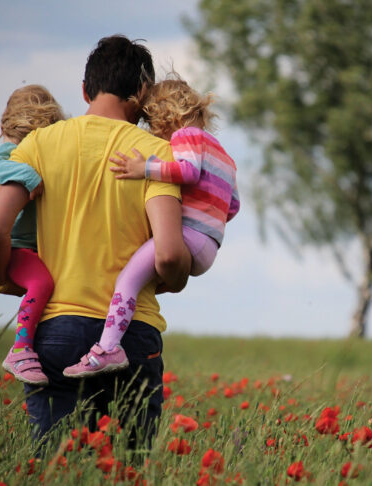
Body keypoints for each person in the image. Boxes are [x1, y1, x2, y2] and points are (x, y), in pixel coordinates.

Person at [0, 35, 191, 445]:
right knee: (128, 469)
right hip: (131, 335)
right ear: (143, 93)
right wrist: (177, 276)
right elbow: (167, 254)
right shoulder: (156, 155)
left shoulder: (38, 145)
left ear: (84, 89)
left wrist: (1, 276)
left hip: (55, 330)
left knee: (58, 465)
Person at [63, 75, 240, 378]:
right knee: (144, 278)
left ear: (166, 116)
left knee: (127, 280)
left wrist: (143, 168)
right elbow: (233, 206)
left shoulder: (186, 137)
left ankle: (107, 348)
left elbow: (187, 171)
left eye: (152, 122)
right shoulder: (224, 155)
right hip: (210, 244)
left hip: (189, 236)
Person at [0, 85, 65, 385]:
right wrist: (29, 176)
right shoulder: (6, 156)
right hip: (13, 246)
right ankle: (21, 348)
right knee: (42, 282)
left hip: (28, 246)